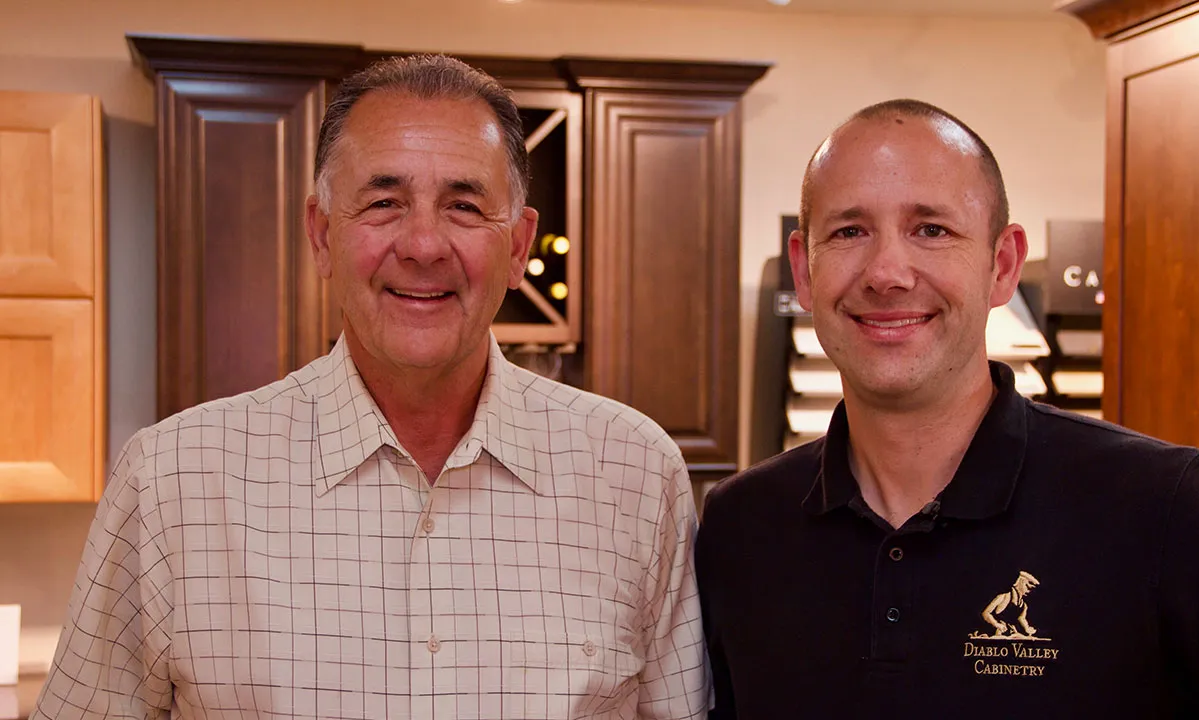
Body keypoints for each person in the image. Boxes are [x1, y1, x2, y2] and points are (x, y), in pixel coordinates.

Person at [33, 55, 708, 720]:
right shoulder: (173, 483)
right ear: (322, 235)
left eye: (464, 205)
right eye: (384, 203)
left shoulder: (636, 474)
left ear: (517, 246)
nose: (423, 245)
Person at [695, 99, 1199, 719]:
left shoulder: (1170, 510)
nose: (887, 273)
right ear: (804, 272)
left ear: (1002, 265)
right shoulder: (740, 529)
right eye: (849, 232)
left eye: (931, 230)